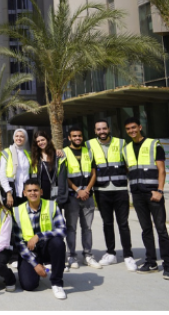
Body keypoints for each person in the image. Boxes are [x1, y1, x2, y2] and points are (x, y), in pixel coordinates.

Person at [124, 118, 169, 279]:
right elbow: (129, 170)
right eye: (128, 129)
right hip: (138, 194)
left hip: (153, 193)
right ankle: (151, 262)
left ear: (140, 127)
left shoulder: (154, 144)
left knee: (161, 230)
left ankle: (168, 266)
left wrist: (159, 190)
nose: (132, 131)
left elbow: (161, 170)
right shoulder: (127, 149)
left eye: (134, 127)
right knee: (146, 230)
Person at [88, 119, 133, 266]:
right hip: (101, 191)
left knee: (123, 223)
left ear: (109, 129)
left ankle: (128, 255)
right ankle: (111, 253)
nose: (102, 132)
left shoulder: (121, 143)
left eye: (104, 129)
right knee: (107, 223)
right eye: (99, 129)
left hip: (120, 190)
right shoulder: (89, 145)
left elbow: (128, 164)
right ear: (95, 131)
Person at [13, 179, 68, 298]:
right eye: (29, 191)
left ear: (41, 192)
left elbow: (63, 230)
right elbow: (19, 243)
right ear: (24, 193)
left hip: (47, 247)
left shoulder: (52, 206)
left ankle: (57, 283)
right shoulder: (17, 211)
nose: (33, 193)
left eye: (36, 190)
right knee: (28, 285)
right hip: (30, 250)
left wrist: (39, 236)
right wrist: (35, 264)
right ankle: (40, 268)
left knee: (58, 243)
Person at [60, 126, 97, 269]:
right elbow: (64, 176)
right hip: (72, 197)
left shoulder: (89, 152)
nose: (77, 138)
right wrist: (77, 190)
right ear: (69, 138)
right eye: (74, 136)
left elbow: (94, 173)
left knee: (87, 228)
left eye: (79, 136)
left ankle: (88, 255)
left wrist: (87, 190)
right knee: (71, 228)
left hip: (87, 196)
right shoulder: (64, 153)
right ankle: (72, 256)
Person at [0, 128, 35, 207]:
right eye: (16, 136)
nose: (19, 138)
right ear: (13, 138)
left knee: (24, 217)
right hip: (11, 191)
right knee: (13, 216)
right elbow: (2, 175)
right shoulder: (7, 152)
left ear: (25, 139)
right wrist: (8, 193)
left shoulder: (27, 154)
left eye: (22, 136)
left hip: (25, 191)